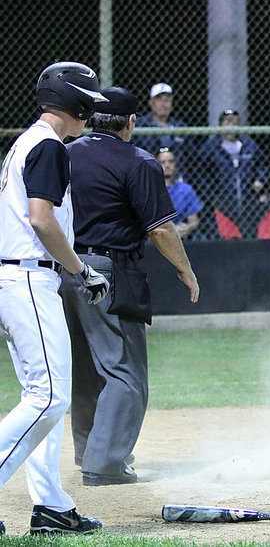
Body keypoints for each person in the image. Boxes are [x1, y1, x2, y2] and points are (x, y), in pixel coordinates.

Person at [62, 86, 200, 487]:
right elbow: (160, 228)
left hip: (64, 266)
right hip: (108, 269)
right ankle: (105, 464)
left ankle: (89, 450)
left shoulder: (65, 153)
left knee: (87, 367)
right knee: (125, 372)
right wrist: (185, 270)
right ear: (130, 123)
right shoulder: (138, 161)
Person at [0, 61, 110, 535]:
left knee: (44, 398)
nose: (93, 113)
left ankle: (50, 506)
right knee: (48, 397)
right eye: (90, 104)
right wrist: (81, 269)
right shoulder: (46, 146)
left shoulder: (27, 141)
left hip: (19, 277)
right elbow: (42, 220)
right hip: (28, 279)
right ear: (76, 102)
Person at [198, 109, 270, 240]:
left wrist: (260, 179)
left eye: (235, 122)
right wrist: (211, 194)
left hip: (248, 199)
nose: (231, 125)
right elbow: (201, 172)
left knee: (251, 233)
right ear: (221, 125)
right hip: (223, 202)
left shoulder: (248, 144)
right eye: (228, 122)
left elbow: (262, 165)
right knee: (228, 237)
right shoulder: (211, 146)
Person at [132, 83, 192, 159]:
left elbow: (190, 154)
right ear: (151, 103)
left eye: (167, 100)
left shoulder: (180, 125)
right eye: (159, 100)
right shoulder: (140, 124)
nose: (164, 104)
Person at [157, 147, 203, 240]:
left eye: (171, 161)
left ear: (176, 165)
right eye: (163, 162)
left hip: (181, 236)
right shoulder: (148, 189)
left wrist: (187, 228)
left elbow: (194, 221)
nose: (167, 165)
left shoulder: (186, 189)